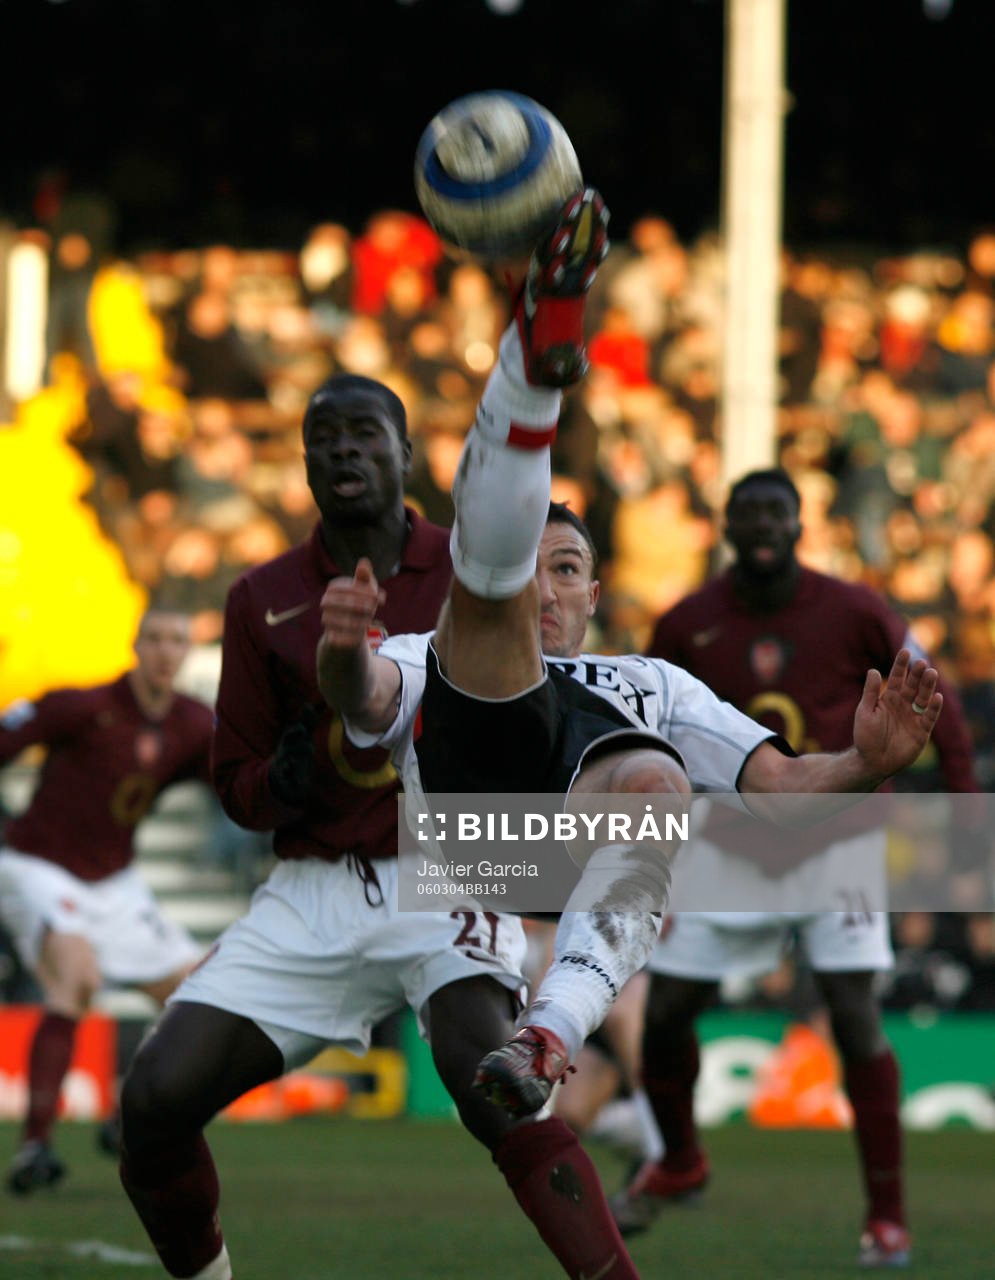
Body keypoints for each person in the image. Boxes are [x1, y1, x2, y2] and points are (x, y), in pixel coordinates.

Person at [317, 192, 942, 1278]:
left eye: (568, 570)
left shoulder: (648, 679)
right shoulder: (436, 641)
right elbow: (368, 701)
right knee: (491, 607)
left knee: (653, 778)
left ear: (597, 591)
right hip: (465, 850)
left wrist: (866, 764)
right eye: (537, 570)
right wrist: (338, 652)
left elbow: (781, 786)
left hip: (572, 869)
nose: (548, 589)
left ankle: (551, 1039)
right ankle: (539, 334)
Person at [117, 206, 652, 1280]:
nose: (342, 454)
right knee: (151, 1102)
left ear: (406, 452)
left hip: (447, 871)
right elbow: (236, 783)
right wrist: (302, 768)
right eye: (322, 441)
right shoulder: (263, 596)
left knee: (486, 1078)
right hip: (313, 887)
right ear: (305, 464)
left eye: (363, 436)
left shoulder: (474, 570)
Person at [610, 467, 978, 1269]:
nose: (764, 527)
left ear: (801, 523)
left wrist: (961, 822)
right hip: (726, 845)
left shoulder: (853, 610)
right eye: (749, 515)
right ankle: (678, 1159)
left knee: (852, 1016)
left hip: (834, 841)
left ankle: (886, 1217)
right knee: (666, 1013)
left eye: (777, 512)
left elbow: (932, 703)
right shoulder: (687, 623)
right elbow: (635, 727)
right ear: (727, 527)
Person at [0, 608, 212, 1194]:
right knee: (78, 975)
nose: (167, 651)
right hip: (37, 865)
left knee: (197, 995)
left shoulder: (194, 724)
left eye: (178, 641)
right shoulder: (83, 706)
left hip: (114, 880)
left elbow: (242, 784)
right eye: (157, 638)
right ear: (136, 645)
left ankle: (126, 1117)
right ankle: (34, 1147)